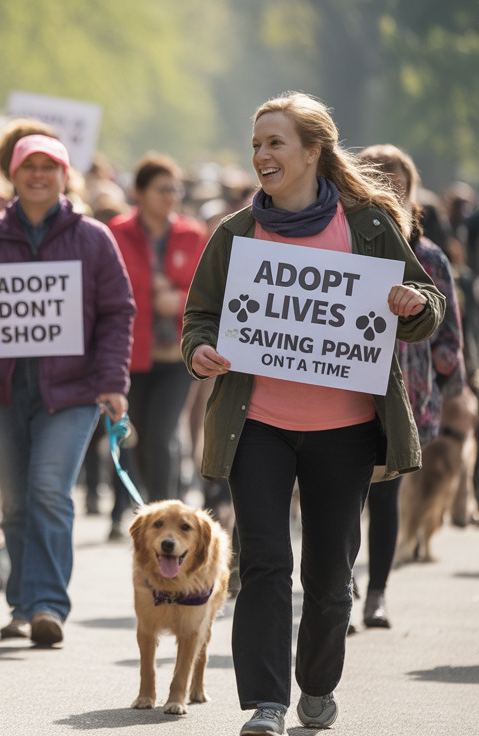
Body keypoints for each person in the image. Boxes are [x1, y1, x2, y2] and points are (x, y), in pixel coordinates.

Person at [181, 92, 443, 736]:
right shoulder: (236, 232)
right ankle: (266, 703)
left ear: (313, 151)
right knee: (264, 559)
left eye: (275, 143)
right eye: (257, 144)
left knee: (330, 573)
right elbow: (200, 318)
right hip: (259, 424)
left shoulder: (372, 224)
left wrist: (413, 302)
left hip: (346, 431)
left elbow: (428, 304)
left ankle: (317, 685)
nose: (262, 155)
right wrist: (201, 352)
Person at [0, 134, 135, 648]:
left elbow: (117, 313)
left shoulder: (93, 238)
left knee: (49, 491)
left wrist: (114, 382)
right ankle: (23, 605)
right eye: (30, 166)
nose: (39, 176)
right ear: (14, 173)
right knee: (18, 502)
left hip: (71, 393)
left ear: (65, 175)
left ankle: (48, 604)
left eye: (50, 167)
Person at [356, 144, 464, 630]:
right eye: (375, 172)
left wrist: (452, 386)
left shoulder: (429, 256)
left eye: (395, 174)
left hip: (406, 390)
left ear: (411, 184)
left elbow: (448, 328)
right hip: (347, 387)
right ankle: (340, 588)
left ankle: (376, 592)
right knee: (341, 497)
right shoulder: (343, 240)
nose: (386, 181)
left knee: (385, 495)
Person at [108, 154, 207, 519]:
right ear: (140, 192)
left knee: (161, 435)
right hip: (130, 353)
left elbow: (206, 291)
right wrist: (149, 290)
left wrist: (177, 301)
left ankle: (167, 516)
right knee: (136, 438)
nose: (171, 196)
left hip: (176, 356)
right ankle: (148, 511)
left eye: (175, 189)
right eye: (162, 189)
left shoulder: (191, 234)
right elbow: (108, 287)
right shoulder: (117, 232)